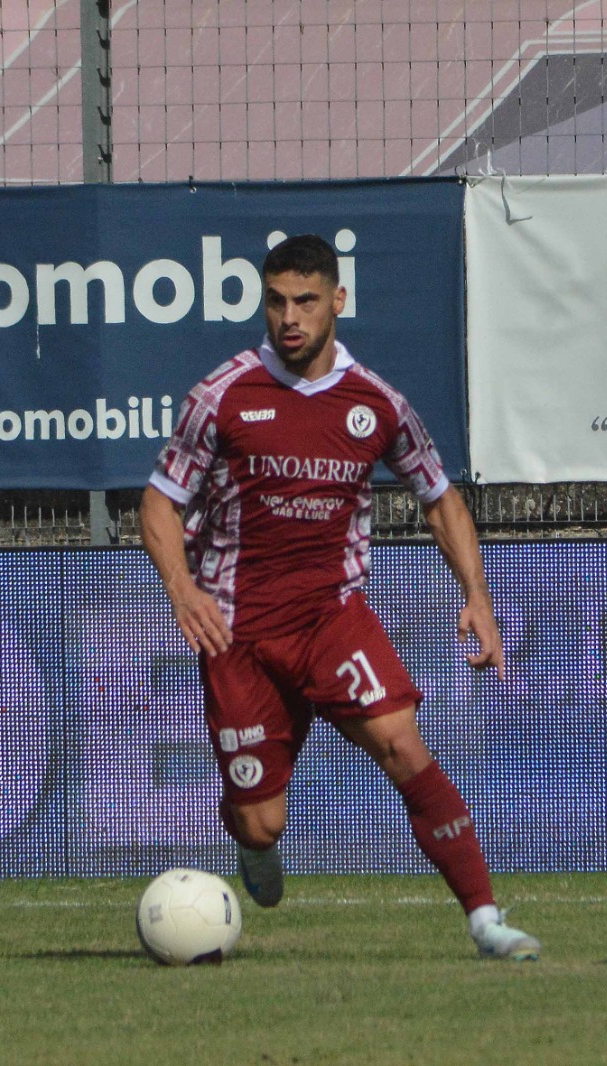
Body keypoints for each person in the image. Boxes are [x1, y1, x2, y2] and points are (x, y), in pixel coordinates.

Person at [140, 234, 540, 961]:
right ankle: (252, 841)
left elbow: (440, 496)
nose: (289, 317)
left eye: (305, 301)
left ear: (337, 303)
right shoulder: (221, 394)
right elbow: (159, 503)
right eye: (276, 302)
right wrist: (182, 588)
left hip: (332, 619)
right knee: (262, 823)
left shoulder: (377, 404)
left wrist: (476, 595)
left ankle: (485, 919)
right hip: (238, 635)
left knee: (401, 741)